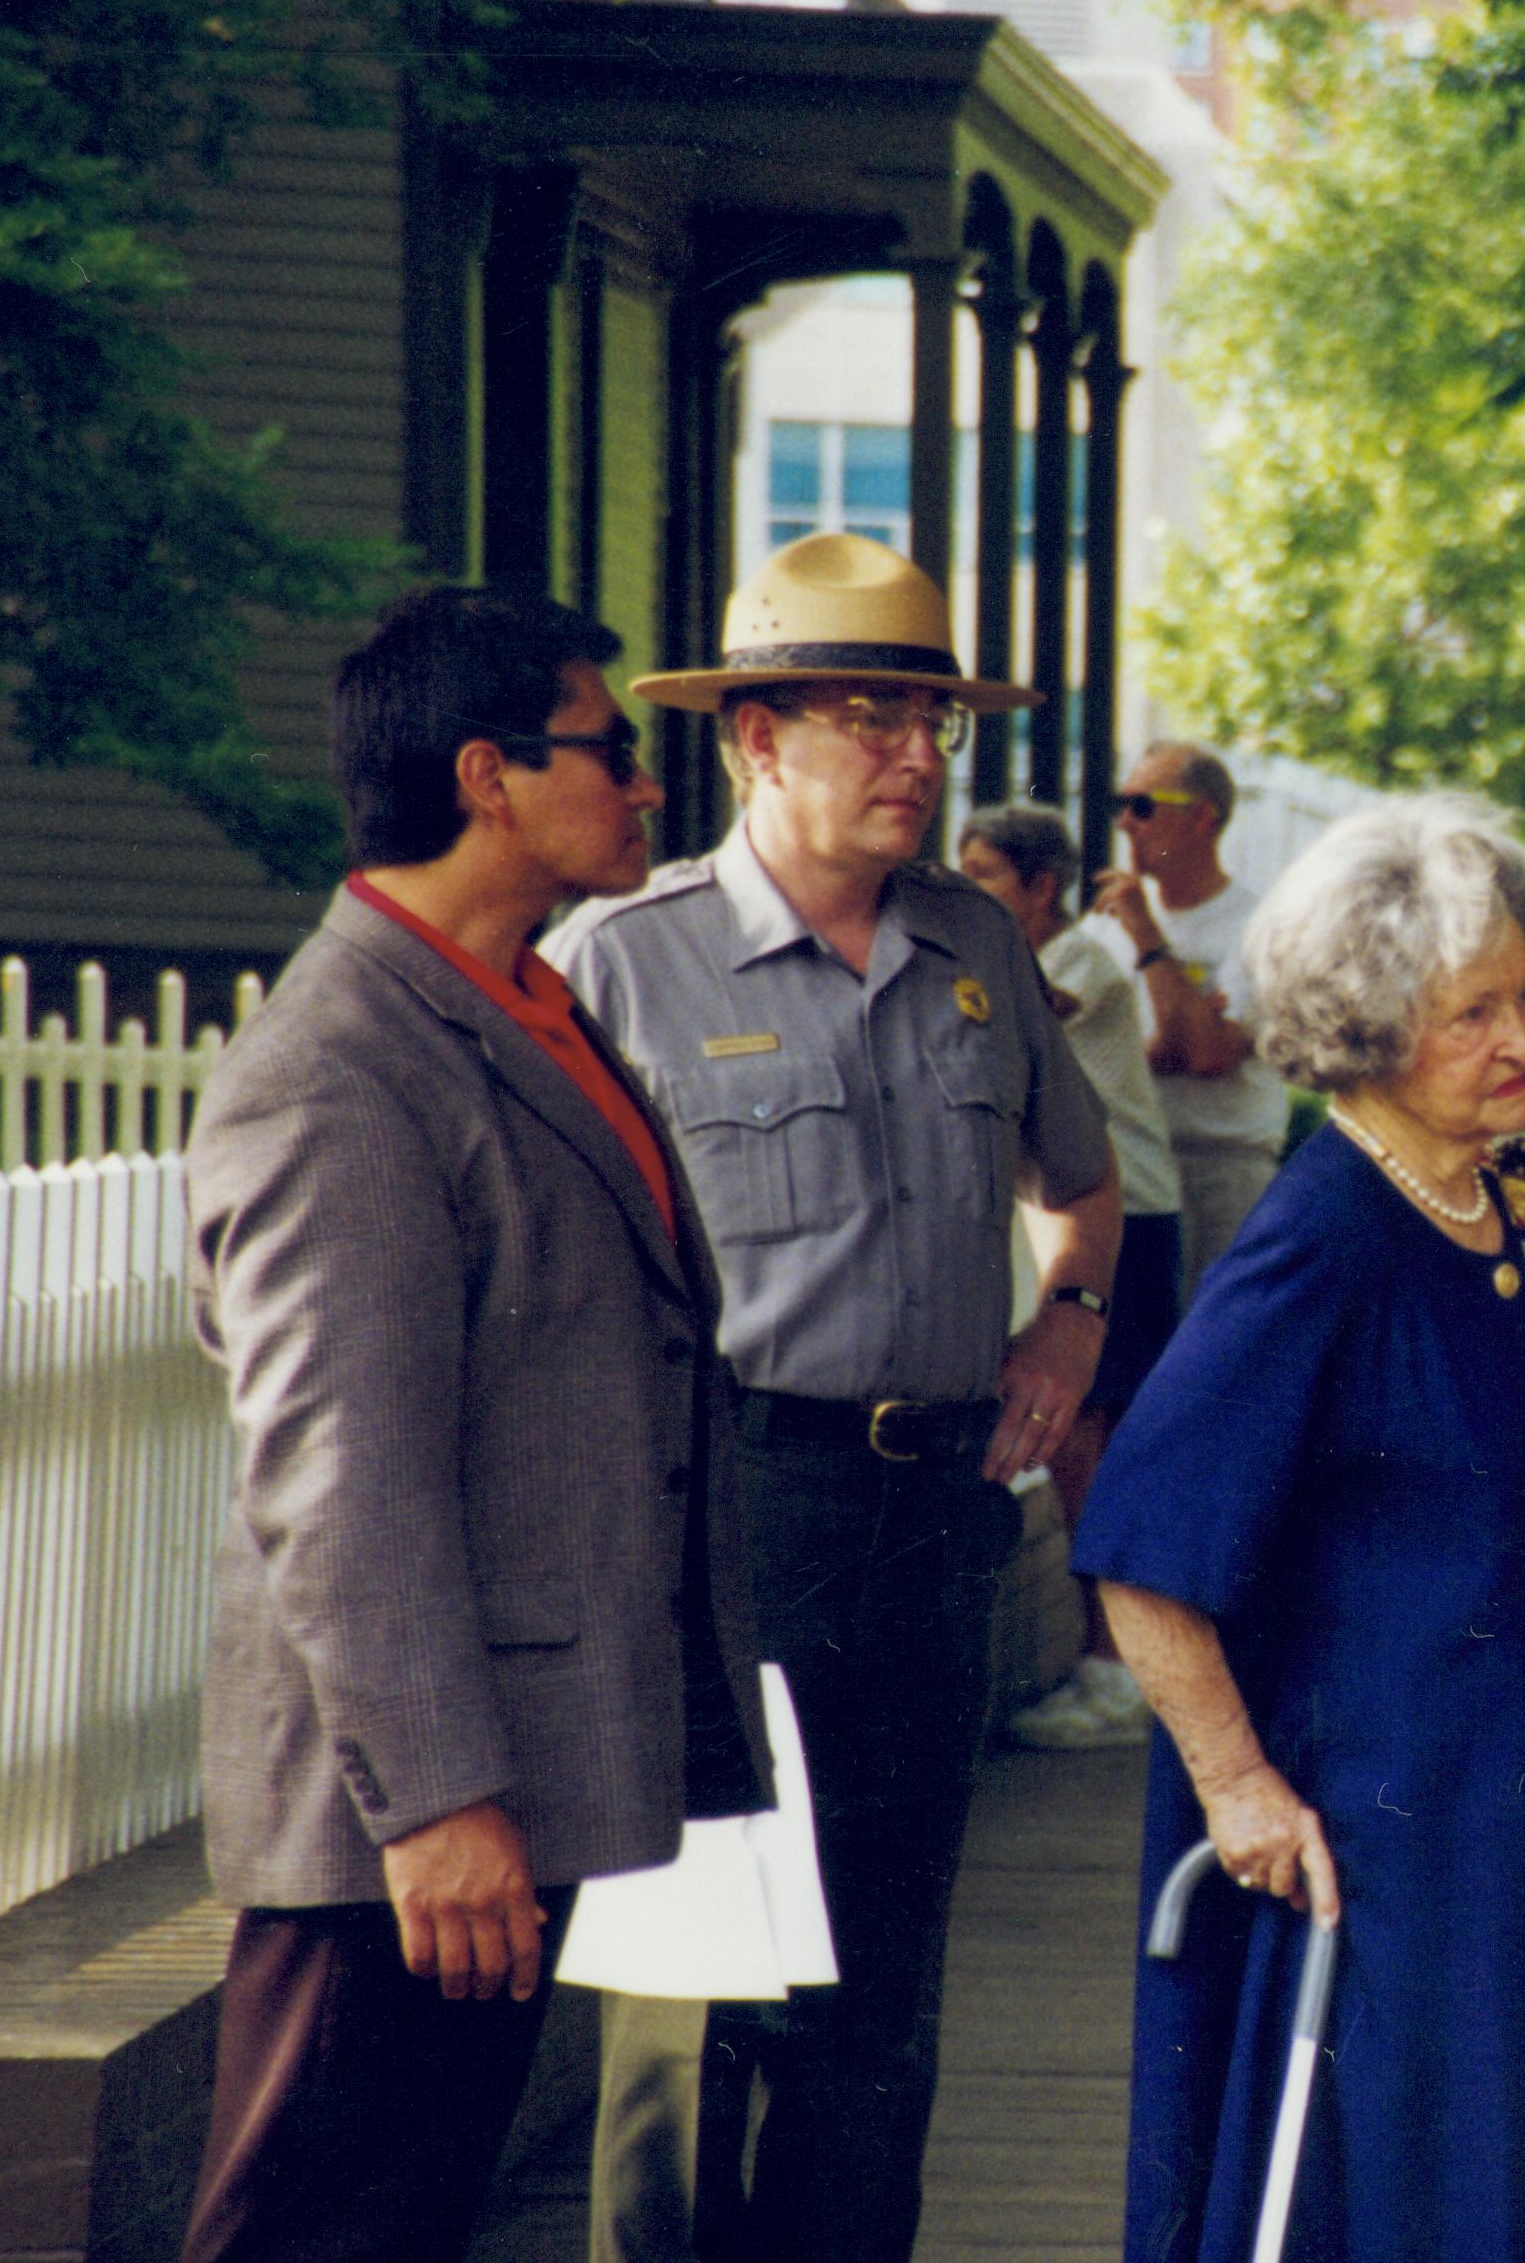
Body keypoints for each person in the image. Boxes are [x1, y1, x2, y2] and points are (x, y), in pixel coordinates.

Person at [1075, 795, 1525, 2263]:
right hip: (1427, 1856)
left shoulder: (1508, 1204)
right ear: (1369, 1023)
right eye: (1471, 1013)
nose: (1516, 1039)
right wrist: (1237, 1784)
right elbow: (1140, 1544)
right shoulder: (1326, 1234)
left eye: (1520, 999)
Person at [177, 587, 772, 2263]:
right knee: (311, 2230)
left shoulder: (520, 1002)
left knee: (403, 2215)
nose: (648, 791)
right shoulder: (340, 1063)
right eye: (610, 753)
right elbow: (337, 1475)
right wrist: (436, 1801)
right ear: (487, 777)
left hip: (501, 1772)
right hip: (404, 1818)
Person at [547, 533, 1121, 2263]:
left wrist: (1069, 1323)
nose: (918, 757)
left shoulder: (973, 946)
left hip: (931, 1515)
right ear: (752, 739)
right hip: (731, 1513)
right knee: (703, 1982)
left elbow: (1079, 1186)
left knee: (885, 1985)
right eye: (869, 717)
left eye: (931, 720)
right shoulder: (619, 966)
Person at [957, 801, 1180, 1749]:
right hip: (1087, 1223)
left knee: (1096, 1451)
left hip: (1125, 1221)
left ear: (1039, 886)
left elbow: (997, 1009)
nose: (966, 895)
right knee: (1083, 1447)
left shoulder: (1078, 958)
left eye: (983, 875)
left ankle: (1117, 1671)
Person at [1087, 741, 1289, 1303]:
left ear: (1202, 818)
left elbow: (1206, 1055)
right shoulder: (1106, 925)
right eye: (1120, 804)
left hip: (1218, 1169)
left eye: (1144, 806)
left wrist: (1150, 942)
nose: (1126, 823)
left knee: (1211, 1354)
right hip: (1127, 1171)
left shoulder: (1259, 928)